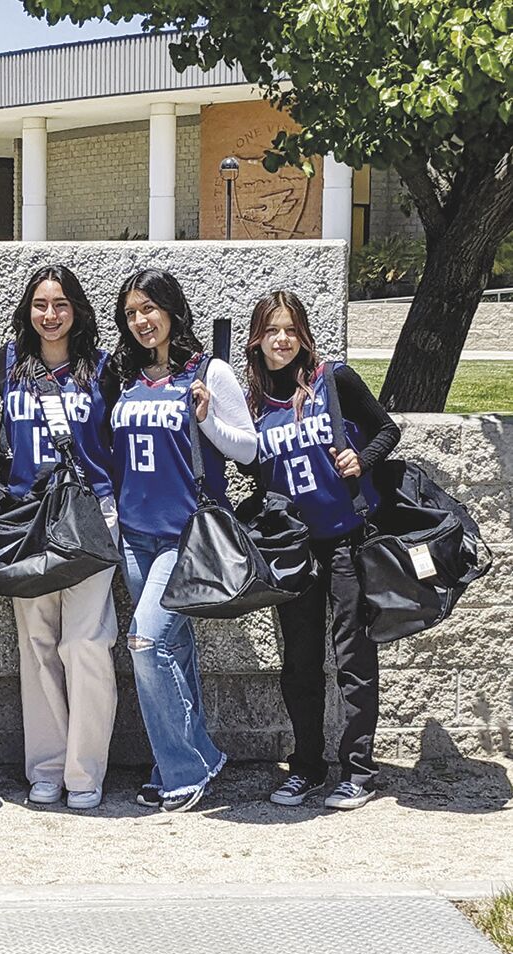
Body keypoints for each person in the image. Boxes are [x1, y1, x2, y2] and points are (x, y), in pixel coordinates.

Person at [108, 267, 256, 813]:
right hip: (133, 536)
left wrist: (207, 418)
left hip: (184, 537)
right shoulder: (122, 374)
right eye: (131, 314)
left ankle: (182, 769)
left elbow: (248, 449)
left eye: (150, 309)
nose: (142, 321)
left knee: (145, 644)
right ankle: (198, 753)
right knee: (175, 649)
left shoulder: (207, 371)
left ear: (172, 310)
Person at [245, 290, 397, 811]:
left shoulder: (335, 380)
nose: (281, 340)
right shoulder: (252, 402)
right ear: (257, 338)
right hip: (292, 547)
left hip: (346, 541)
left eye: (290, 330)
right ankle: (306, 766)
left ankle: (358, 769)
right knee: (300, 662)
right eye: (271, 331)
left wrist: (362, 457)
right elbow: (249, 465)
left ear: (303, 335)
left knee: (354, 656)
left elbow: (387, 430)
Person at [0, 265, 119, 811]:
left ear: (77, 311)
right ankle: (46, 766)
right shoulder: (6, 366)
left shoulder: (104, 370)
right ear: (27, 311)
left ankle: (84, 773)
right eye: (41, 304)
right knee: (37, 645)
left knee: (85, 643)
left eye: (61, 304)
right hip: (28, 520)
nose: (51, 314)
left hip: (92, 518)